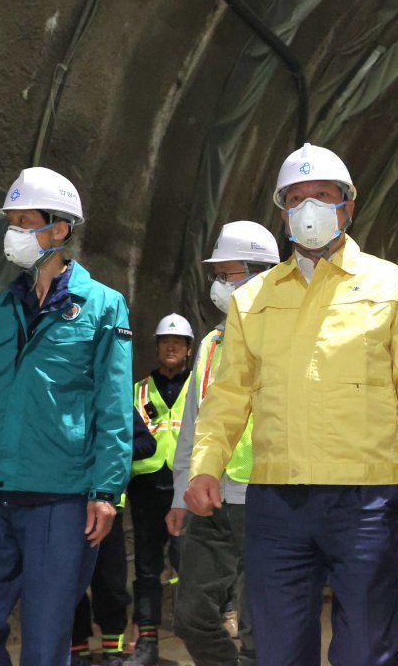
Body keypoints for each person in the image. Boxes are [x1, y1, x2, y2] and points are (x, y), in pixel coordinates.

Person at [184, 143, 398, 666]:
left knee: (366, 651)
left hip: (364, 500)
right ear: (283, 212)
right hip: (275, 501)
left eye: (322, 196)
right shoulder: (252, 298)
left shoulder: (389, 285)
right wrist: (204, 465)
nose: (309, 208)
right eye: (297, 198)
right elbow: (230, 394)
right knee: (279, 652)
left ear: (347, 206)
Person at [0, 167, 134, 666]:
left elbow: (113, 406)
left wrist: (105, 491)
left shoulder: (103, 306)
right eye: (12, 221)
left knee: (47, 642)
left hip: (60, 498)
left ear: (60, 229)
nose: (14, 232)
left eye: (25, 221)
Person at [167, 220, 281, 666]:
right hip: (211, 500)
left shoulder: (288, 340)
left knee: (261, 626)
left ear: (261, 275)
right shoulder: (212, 344)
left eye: (229, 274)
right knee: (191, 616)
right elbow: (193, 425)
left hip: (269, 498)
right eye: (218, 275)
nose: (219, 285)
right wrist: (181, 493)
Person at [126, 312, 193, 666]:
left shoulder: (200, 386)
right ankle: (147, 642)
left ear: (187, 349)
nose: (171, 346)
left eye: (178, 342)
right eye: (165, 341)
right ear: (156, 348)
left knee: (190, 563)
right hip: (148, 489)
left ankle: (200, 633)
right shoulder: (137, 390)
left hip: (186, 488)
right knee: (147, 569)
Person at [71, 402, 157, 665]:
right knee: (69, 584)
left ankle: (112, 650)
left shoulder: (111, 399)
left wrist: (111, 451)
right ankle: (78, 648)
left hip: (107, 508)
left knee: (110, 583)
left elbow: (147, 444)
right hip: (63, 508)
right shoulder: (58, 397)